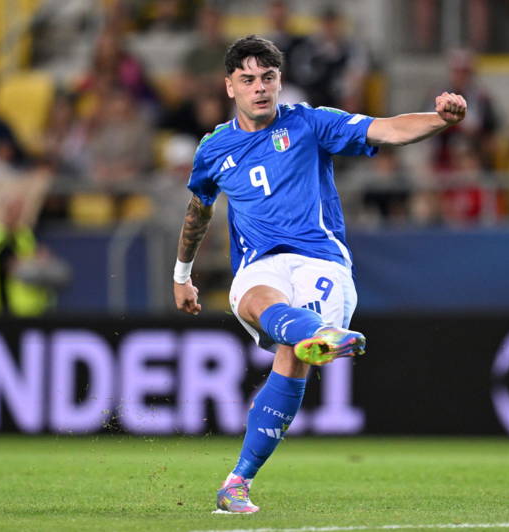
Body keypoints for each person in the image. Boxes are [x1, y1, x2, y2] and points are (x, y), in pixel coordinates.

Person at [171, 35, 466, 514]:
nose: (259, 88)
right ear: (230, 87)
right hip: (259, 264)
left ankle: (236, 482)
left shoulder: (309, 123)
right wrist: (182, 274)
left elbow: (387, 129)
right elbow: (198, 211)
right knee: (259, 301)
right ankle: (320, 334)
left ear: (279, 81)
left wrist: (441, 120)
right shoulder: (213, 149)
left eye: (268, 78)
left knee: (291, 358)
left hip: (320, 262)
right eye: (248, 79)